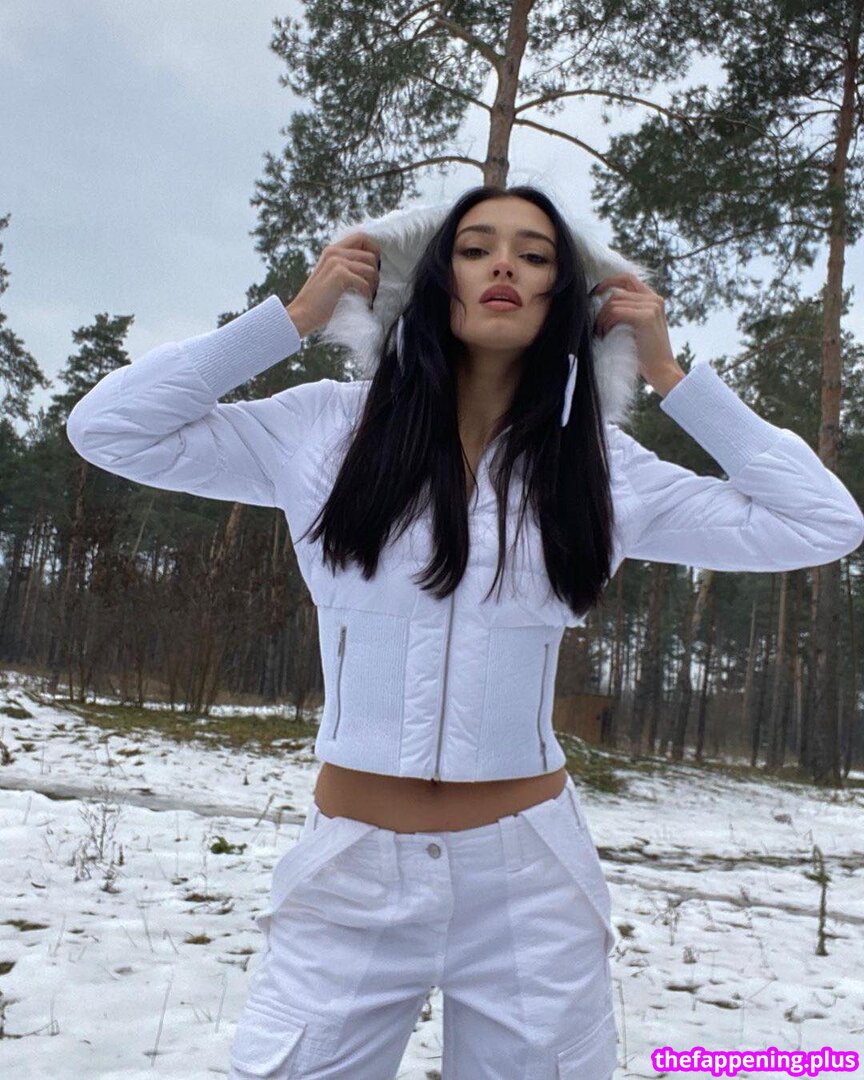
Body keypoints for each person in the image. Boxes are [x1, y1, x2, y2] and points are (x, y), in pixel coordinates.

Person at [66, 184, 864, 1079]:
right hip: (351, 873)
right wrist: (292, 319)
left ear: (565, 297)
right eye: (477, 248)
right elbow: (108, 429)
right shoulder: (324, 428)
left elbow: (822, 523)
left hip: (530, 881)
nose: (504, 267)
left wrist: (672, 377)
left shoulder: (603, 469)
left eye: (535, 255)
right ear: (433, 278)